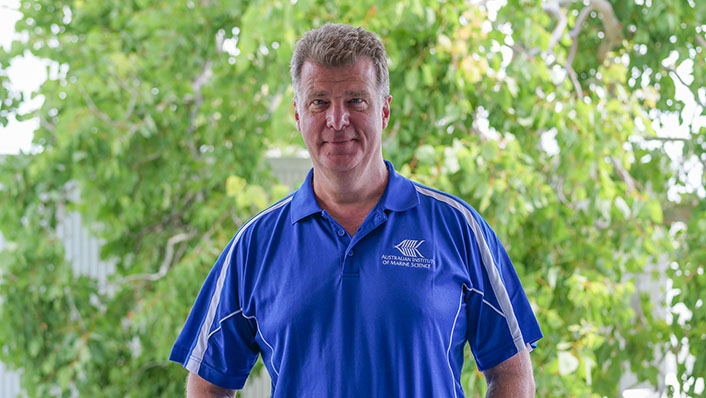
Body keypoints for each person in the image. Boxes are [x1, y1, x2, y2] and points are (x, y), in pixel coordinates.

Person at [170, 23, 542, 397]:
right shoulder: (255, 245)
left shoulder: (457, 229)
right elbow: (207, 384)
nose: (337, 120)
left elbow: (512, 372)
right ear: (298, 115)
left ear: (384, 110)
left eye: (355, 101)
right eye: (319, 102)